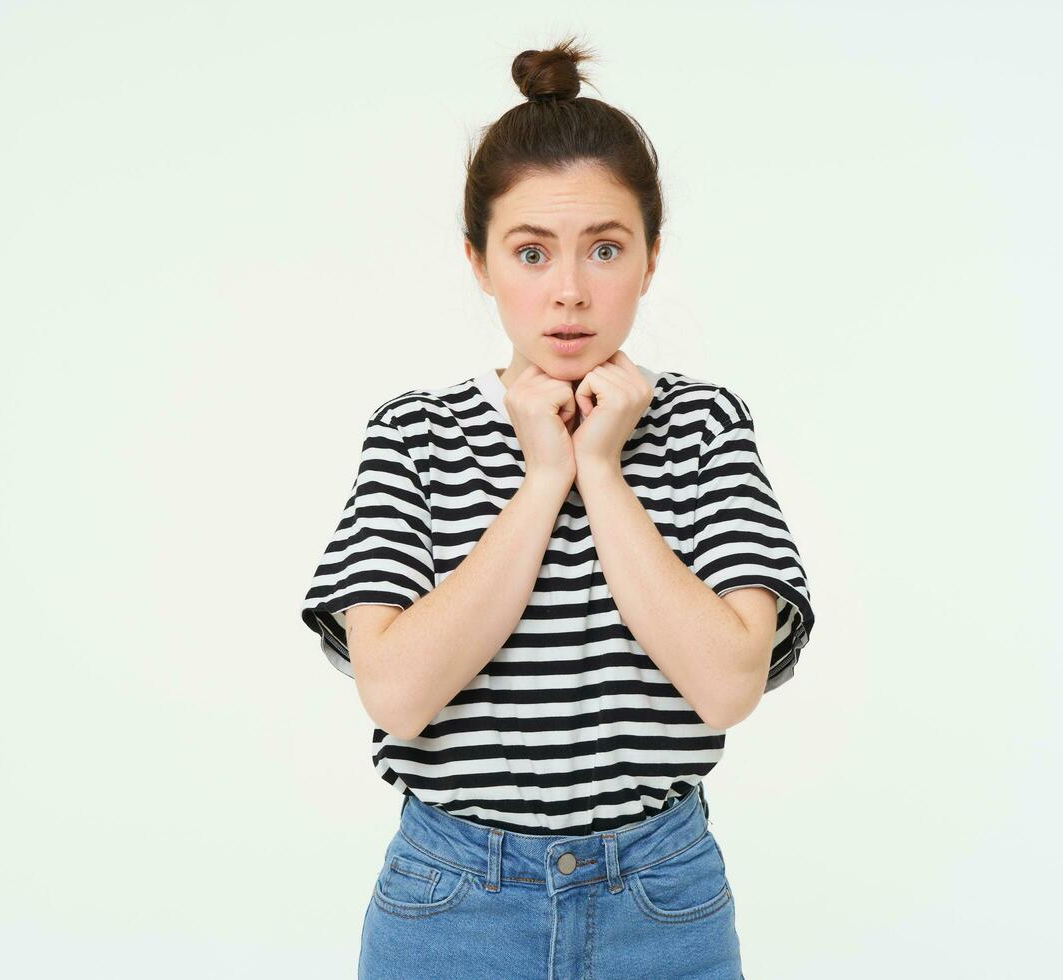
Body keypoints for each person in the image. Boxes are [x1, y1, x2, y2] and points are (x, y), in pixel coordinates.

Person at [299, 35, 814, 980]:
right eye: (530, 252)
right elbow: (398, 694)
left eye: (605, 249)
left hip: (662, 903)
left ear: (651, 258)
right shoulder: (414, 436)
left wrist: (603, 469)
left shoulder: (704, 427)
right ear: (480, 261)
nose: (569, 291)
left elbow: (728, 684)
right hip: (450, 905)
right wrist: (543, 478)